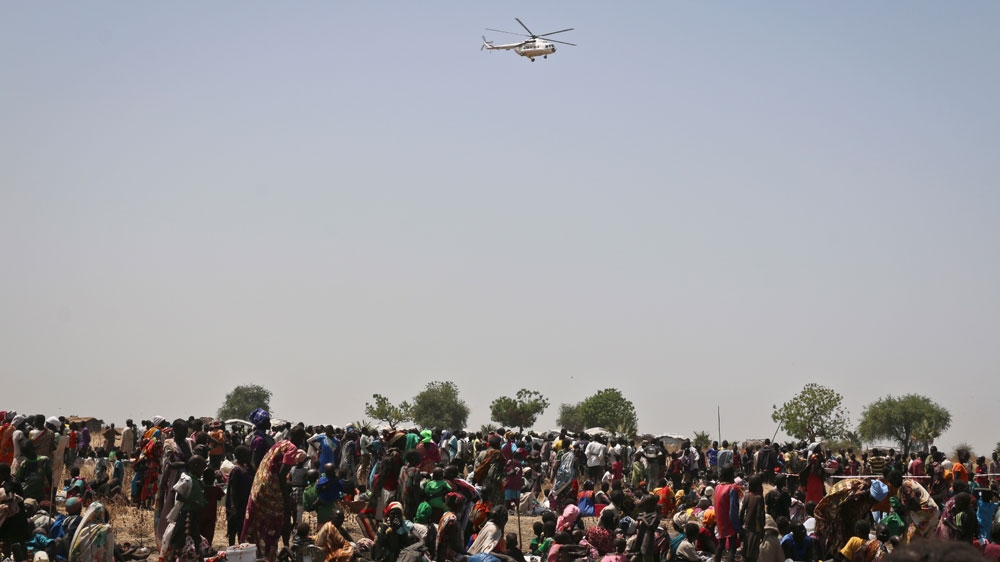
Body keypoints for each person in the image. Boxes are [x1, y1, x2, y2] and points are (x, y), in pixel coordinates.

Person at [243, 440, 303, 562]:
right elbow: (282, 475)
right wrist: (286, 499)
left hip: (262, 487)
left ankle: (257, 554)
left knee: (259, 523)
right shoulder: (292, 448)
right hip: (272, 491)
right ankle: (268, 555)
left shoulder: (281, 443)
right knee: (271, 528)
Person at [161, 455, 207, 562]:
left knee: (196, 538)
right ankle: (171, 558)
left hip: (194, 514)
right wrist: (191, 501)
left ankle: (198, 558)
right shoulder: (187, 479)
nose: (202, 472)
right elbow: (177, 494)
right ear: (195, 467)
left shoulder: (197, 481)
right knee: (179, 539)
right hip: (187, 514)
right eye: (201, 469)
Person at [713, 467, 742, 562]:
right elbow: (733, 511)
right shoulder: (732, 488)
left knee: (721, 545)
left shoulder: (717, 487)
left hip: (720, 520)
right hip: (729, 521)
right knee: (732, 548)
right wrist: (738, 527)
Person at [225, 445, 252, 546]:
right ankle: (231, 548)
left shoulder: (245, 469)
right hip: (236, 504)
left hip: (243, 503)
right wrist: (232, 506)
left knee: (241, 528)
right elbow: (232, 489)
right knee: (233, 529)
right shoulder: (236, 470)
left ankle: (240, 547)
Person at [741, 475, 765, 562]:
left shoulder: (747, 496)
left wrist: (741, 526)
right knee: (753, 553)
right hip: (756, 528)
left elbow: (742, 512)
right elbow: (759, 515)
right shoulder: (759, 498)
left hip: (747, 527)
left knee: (746, 549)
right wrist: (762, 528)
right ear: (759, 487)